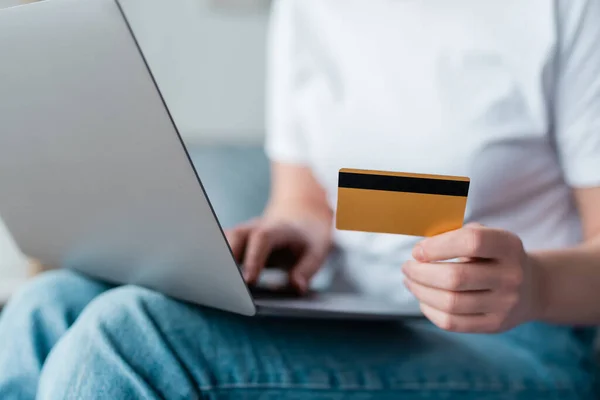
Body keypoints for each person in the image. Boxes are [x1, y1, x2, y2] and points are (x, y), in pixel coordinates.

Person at [1, 0, 599, 398]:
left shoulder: (564, 11)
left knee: (130, 334)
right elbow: (305, 201)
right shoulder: (311, 8)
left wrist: (536, 284)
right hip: (349, 310)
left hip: (521, 344)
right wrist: (293, 230)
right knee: (48, 302)